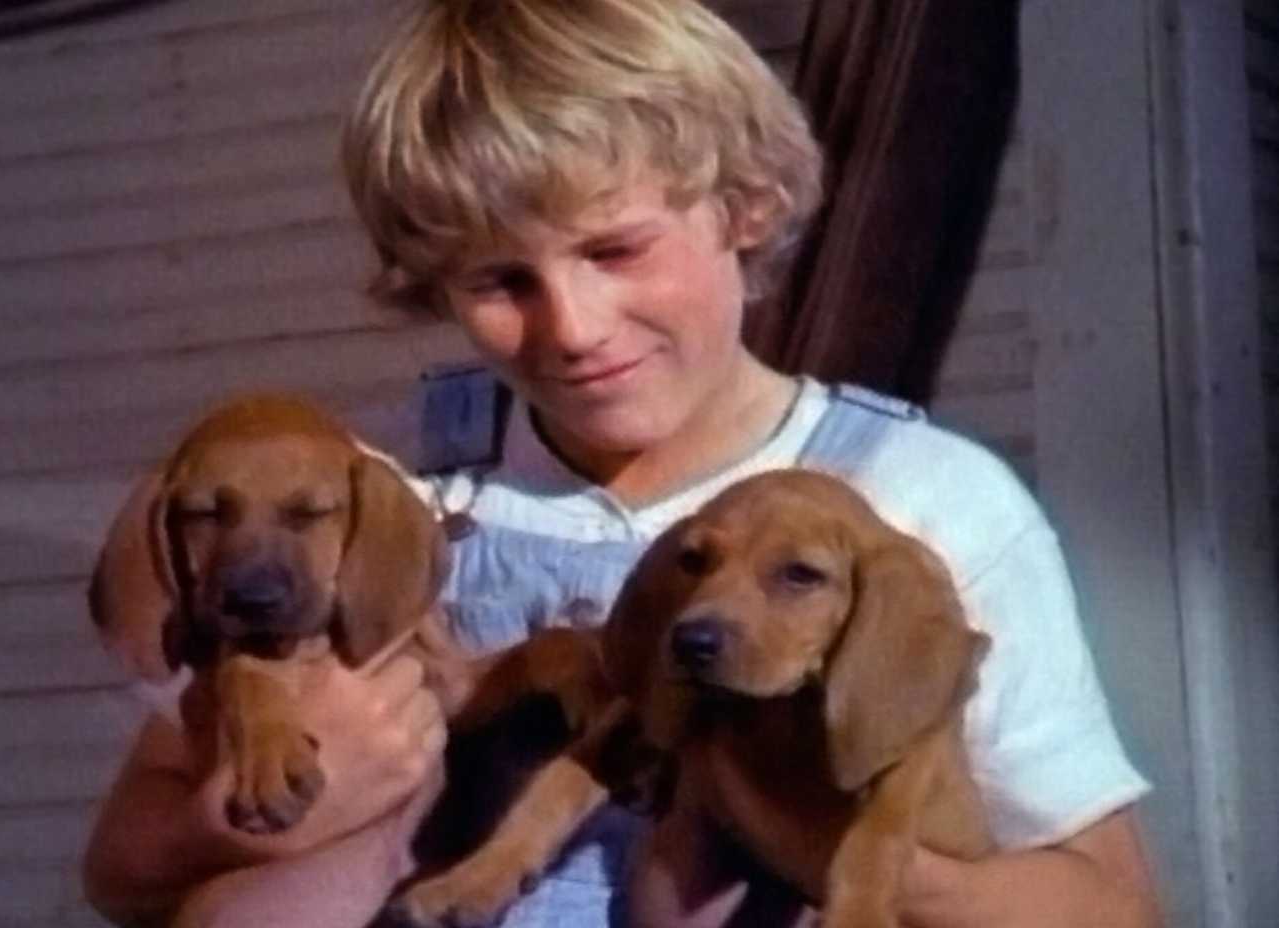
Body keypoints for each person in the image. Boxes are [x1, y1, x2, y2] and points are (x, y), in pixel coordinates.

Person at [82, 0, 1165, 925]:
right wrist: (295, 813)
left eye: (615, 249)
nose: (573, 325)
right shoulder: (401, 511)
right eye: (499, 282)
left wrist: (834, 853)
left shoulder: (929, 498)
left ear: (744, 205)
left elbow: (1115, 904)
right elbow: (124, 865)